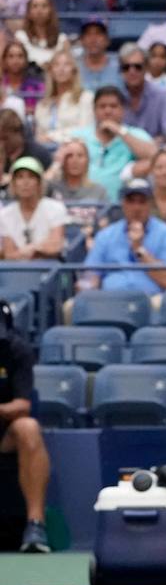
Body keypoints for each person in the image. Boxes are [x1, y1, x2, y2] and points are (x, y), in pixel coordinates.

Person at [0, 299, 49, 553]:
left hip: (4, 431)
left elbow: (22, 405)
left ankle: (35, 525)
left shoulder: (15, 349)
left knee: (28, 427)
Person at [79, 179, 166, 294]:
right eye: (131, 201)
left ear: (151, 204)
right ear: (123, 204)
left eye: (142, 202)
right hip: (112, 302)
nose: (136, 208)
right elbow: (90, 275)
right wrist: (86, 288)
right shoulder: (105, 235)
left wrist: (139, 249)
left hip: (152, 303)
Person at [73, 86, 156, 201]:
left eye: (113, 106)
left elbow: (155, 155)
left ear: (123, 110)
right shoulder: (80, 135)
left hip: (123, 206)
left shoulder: (133, 134)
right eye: (102, 106)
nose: (108, 111)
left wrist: (120, 131)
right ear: (94, 110)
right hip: (85, 206)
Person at [0, 156, 65, 259]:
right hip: (17, 272)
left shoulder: (56, 208)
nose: (25, 182)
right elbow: (9, 254)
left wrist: (32, 248)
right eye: (20, 177)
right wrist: (40, 248)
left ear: (39, 182)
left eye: (31, 177)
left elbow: (55, 247)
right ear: (13, 183)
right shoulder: (5, 215)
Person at [117, 44, 166, 140]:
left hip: (155, 150)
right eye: (126, 67)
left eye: (137, 67)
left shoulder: (164, 95)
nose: (132, 71)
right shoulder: (114, 96)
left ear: (146, 68)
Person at [34, 49, 92, 146]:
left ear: (74, 70)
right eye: (56, 65)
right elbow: (39, 136)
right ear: (51, 71)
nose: (61, 69)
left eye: (67, 64)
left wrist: (52, 136)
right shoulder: (42, 104)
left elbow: (85, 132)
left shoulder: (85, 97)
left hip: (74, 151)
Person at [75, 18, 118, 90]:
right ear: (81, 40)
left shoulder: (121, 66)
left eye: (98, 34)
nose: (93, 39)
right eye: (88, 34)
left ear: (107, 40)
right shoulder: (74, 67)